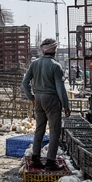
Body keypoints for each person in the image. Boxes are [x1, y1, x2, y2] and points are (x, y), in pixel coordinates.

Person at [22, 38, 71, 171]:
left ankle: (35, 159)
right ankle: (50, 162)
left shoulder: (34, 64)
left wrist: (31, 97)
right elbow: (60, 89)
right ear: (54, 50)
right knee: (54, 131)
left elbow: (24, 83)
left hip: (38, 99)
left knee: (40, 129)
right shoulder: (56, 66)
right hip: (52, 100)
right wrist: (66, 106)